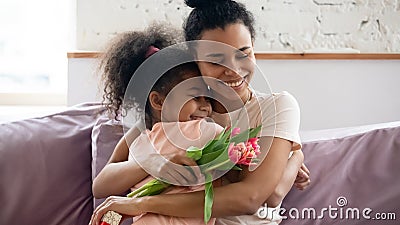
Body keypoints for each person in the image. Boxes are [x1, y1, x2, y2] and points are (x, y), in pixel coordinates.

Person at [90, 1, 310, 224]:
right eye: (216, 60)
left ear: (253, 46)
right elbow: (103, 183)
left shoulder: (277, 106)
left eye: (243, 53)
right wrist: (158, 163)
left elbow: (253, 196)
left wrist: (141, 203)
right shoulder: (182, 110)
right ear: (194, 60)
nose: (234, 70)